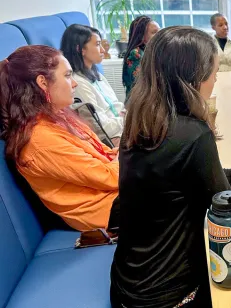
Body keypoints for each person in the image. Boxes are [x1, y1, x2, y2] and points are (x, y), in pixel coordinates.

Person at [110, 26, 231, 308]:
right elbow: (227, 211)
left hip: (127, 286)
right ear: (193, 78)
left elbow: (193, 179)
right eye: (213, 74)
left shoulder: (140, 122)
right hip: (169, 297)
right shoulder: (193, 134)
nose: (215, 80)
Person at [0, 46, 120, 231]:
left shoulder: (56, 117)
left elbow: (105, 155)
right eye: (67, 75)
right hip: (110, 211)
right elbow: (110, 177)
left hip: (117, 195)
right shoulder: (40, 140)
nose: (74, 84)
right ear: (43, 82)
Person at [61, 24, 125, 146]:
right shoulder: (78, 83)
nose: (103, 50)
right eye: (97, 44)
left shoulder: (97, 75)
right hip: (114, 137)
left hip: (122, 128)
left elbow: (116, 108)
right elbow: (102, 128)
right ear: (80, 49)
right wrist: (127, 119)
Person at [122, 15, 160, 100]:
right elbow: (142, 87)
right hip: (139, 104)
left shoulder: (150, 51)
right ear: (142, 36)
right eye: (154, 32)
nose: (159, 35)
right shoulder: (136, 54)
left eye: (159, 31)